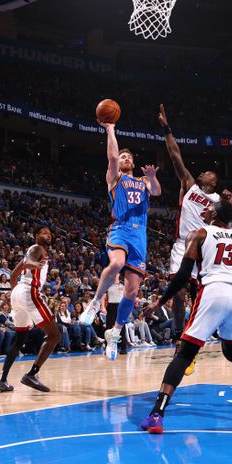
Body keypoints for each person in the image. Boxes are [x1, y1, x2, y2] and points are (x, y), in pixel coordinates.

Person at [139, 197, 232, 434]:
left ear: (215, 215)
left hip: (214, 289)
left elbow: (183, 275)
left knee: (185, 353)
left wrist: (161, 300)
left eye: (208, 207)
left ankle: (157, 414)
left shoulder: (199, 234)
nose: (204, 209)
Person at [80, 118, 161, 360]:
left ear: (134, 163)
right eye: (123, 157)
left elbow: (156, 191)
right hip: (121, 229)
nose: (125, 159)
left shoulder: (143, 181)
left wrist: (153, 176)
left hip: (140, 236)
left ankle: (114, 333)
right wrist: (111, 129)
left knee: (132, 291)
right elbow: (113, 158)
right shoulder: (115, 179)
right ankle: (95, 303)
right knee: (115, 264)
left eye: (128, 158)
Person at [158, 104, 224, 374]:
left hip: (206, 250)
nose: (202, 172)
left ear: (214, 182)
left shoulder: (218, 200)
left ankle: (195, 338)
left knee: (203, 296)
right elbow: (175, 155)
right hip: (182, 245)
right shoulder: (189, 185)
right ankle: (177, 336)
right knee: (178, 290)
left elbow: (228, 224)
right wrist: (166, 127)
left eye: (208, 172)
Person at [0, 226, 60, 393]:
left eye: (49, 232)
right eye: (44, 232)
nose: (48, 235)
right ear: (36, 235)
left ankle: (2, 380)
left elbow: (13, 275)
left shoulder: (35, 252)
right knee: (55, 335)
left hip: (18, 293)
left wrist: (15, 295)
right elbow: (28, 262)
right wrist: (33, 264)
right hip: (29, 292)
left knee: (19, 339)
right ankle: (32, 374)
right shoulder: (36, 249)